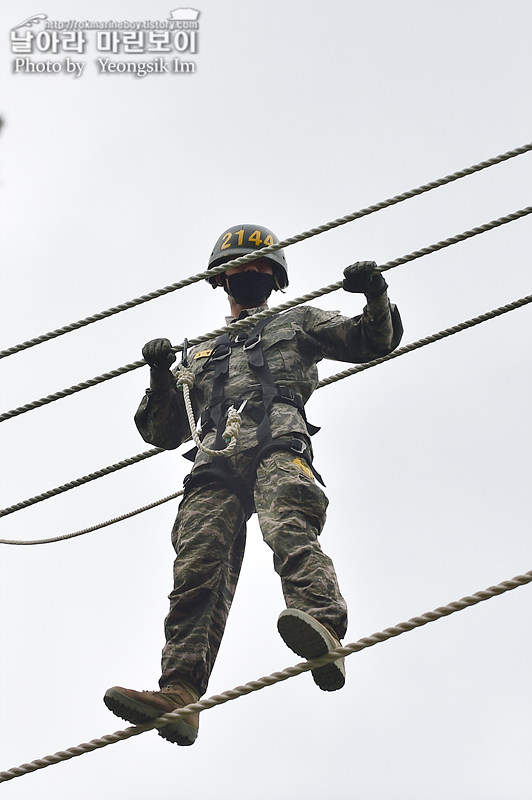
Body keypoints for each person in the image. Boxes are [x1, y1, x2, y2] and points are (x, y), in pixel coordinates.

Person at [104, 223, 403, 746]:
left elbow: (371, 340)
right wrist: (158, 375)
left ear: (275, 280)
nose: (251, 277)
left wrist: (375, 295)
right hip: (214, 459)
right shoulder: (197, 355)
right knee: (196, 564)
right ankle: (179, 694)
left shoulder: (297, 322)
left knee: (289, 525)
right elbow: (162, 431)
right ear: (224, 281)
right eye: (242, 271)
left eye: (261, 271)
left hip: (277, 440)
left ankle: (322, 626)